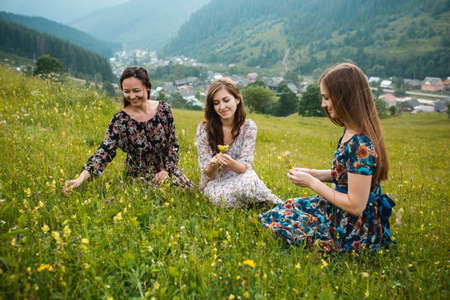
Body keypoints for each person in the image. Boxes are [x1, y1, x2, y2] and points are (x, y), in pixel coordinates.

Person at [259, 63, 394, 253]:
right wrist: (314, 173)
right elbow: (347, 175)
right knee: (286, 207)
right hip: (339, 210)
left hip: (355, 226)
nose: (323, 104)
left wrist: (312, 182)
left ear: (344, 98)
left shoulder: (361, 146)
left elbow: (355, 205)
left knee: (285, 223)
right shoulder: (351, 132)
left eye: (327, 98)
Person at [63, 66, 194, 193]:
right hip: (138, 174)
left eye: (136, 90)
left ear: (147, 88)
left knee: (185, 190)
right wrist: (81, 178)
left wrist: (167, 170)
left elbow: (173, 145)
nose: (132, 96)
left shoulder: (164, 110)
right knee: (156, 194)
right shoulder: (120, 120)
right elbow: (105, 151)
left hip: (166, 169)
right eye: (127, 91)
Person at [194, 77, 281, 207]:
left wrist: (229, 162)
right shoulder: (204, 129)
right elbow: (208, 174)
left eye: (226, 100)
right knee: (221, 199)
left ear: (237, 99)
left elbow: (243, 167)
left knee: (250, 184)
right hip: (216, 181)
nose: (222, 107)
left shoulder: (249, 127)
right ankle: (251, 202)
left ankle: (274, 205)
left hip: (240, 175)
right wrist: (214, 164)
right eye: (216, 103)